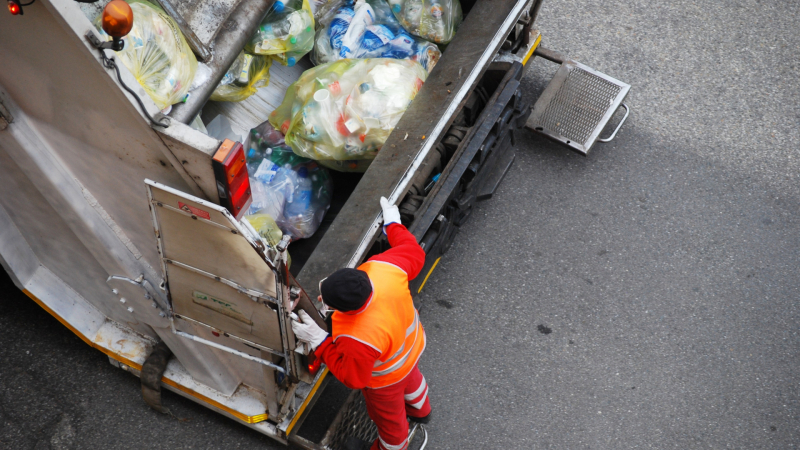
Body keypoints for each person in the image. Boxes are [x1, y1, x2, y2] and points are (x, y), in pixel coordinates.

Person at [291, 197, 431, 450]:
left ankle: (392, 447)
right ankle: (421, 410)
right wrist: (393, 225)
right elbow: (414, 251)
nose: (321, 299)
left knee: (389, 419)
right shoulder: (383, 269)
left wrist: (320, 342)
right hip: (411, 348)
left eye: (327, 301)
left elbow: (354, 378)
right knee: (413, 380)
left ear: (348, 310)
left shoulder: (358, 335)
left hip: (386, 377)